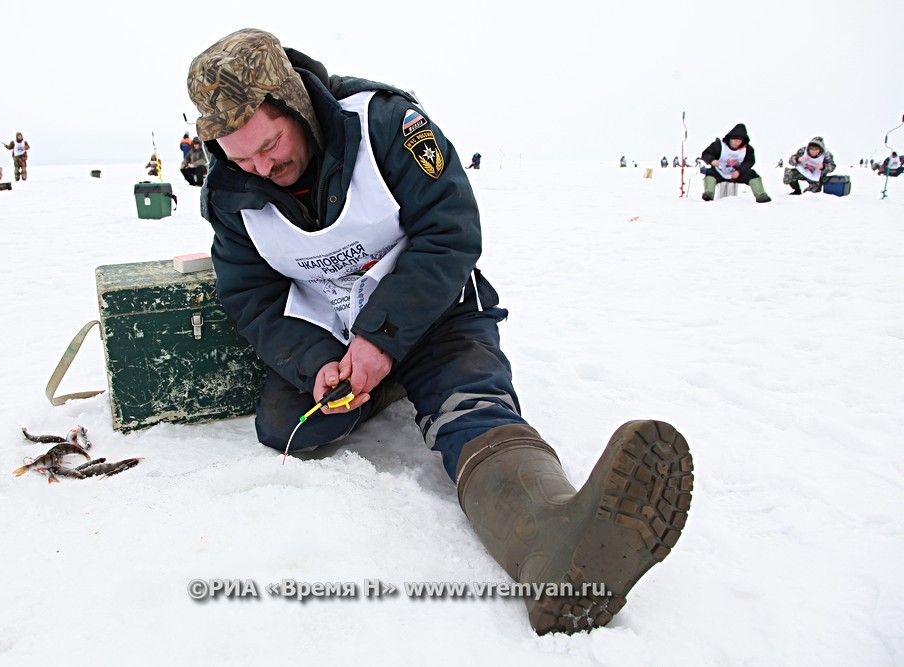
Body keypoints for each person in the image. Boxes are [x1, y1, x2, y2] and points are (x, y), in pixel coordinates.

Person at [187, 28, 693, 637]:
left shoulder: (386, 125)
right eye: (243, 159)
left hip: (432, 313)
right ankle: (389, 383)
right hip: (336, 332)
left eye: (270, 145)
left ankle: (551, 541)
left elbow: (450, 231)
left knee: (467, 407)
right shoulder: (231, 196)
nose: (263, 169)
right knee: (287, 427)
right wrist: (317, 362)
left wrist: (383, 341)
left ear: (295, 104)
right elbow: (253, 298)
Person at [699, 123, 770, 203]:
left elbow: (750, 161)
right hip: (719, 172)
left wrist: (739, 171)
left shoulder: (748, 149)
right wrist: (712, 160)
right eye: (734, 140)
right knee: (710, 174)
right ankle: (709, 193)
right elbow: (706, 154)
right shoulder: (719, 145)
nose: (736, 143)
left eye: (739, 141)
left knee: (752, 174)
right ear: (729, 138)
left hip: (737, 174)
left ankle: (761, 195)